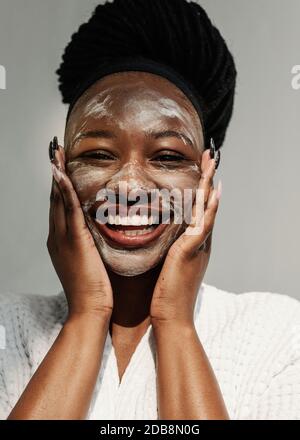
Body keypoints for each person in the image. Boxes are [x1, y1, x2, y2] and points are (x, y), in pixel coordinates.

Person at [1, 0, 300, 420]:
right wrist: (87, 314)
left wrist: (176, 323)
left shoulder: (278, 335)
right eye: (99, 154)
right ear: (60, 167)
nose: (129, 186)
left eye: (167, 157)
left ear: (207, 176)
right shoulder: (7, 329)